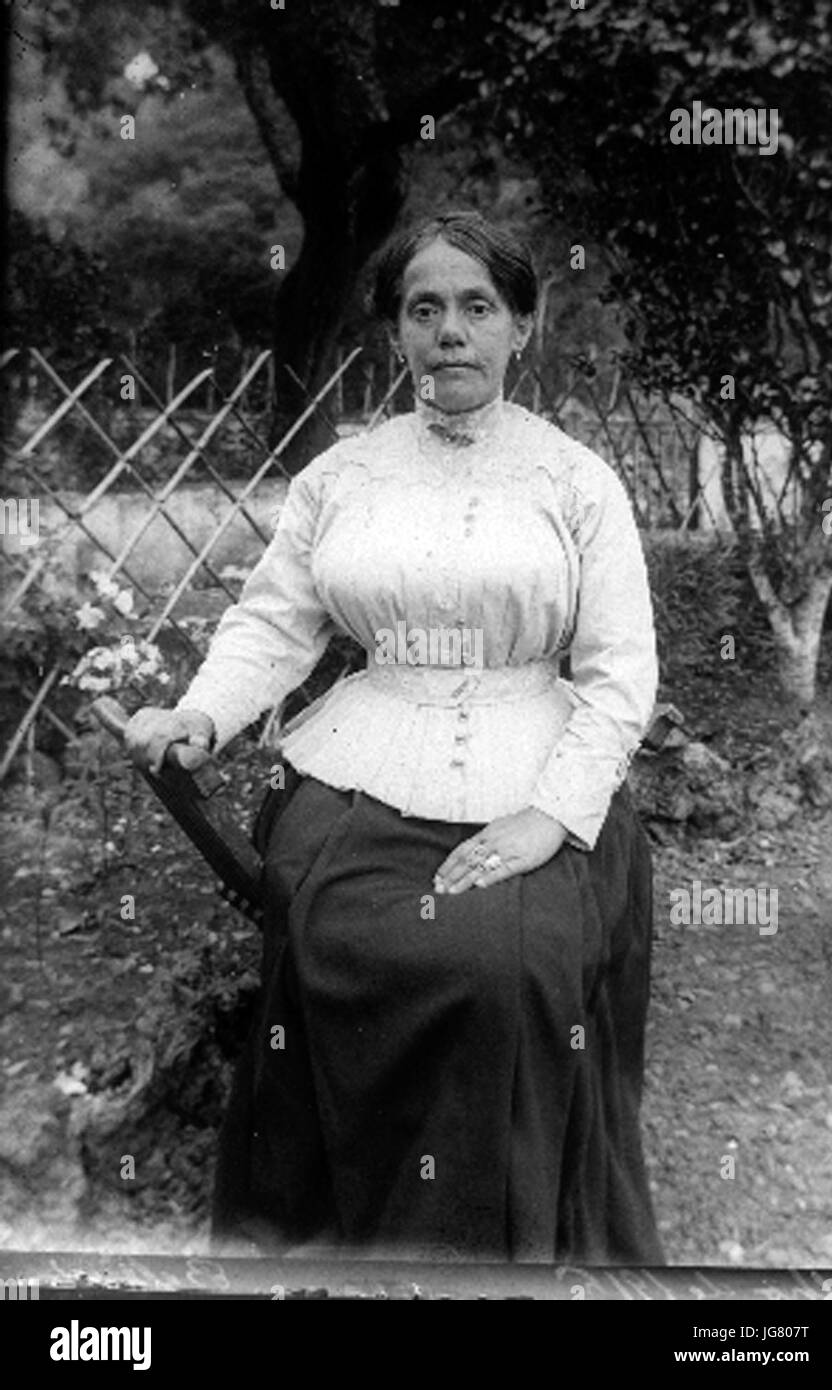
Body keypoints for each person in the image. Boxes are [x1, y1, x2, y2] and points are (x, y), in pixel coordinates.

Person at [125, 210, 663, 1264]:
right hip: (363, 764)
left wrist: (551, 814)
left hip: (534, 768)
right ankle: (341, 1239)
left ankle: (497, 1255)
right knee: (335, 946)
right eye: (425, 310)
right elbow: (274, 623)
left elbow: (619, 673)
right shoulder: (343, 477)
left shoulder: (575, 481)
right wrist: (202, 714)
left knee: (509, 974)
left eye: (476, 308)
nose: (450, 332)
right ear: (396, 334)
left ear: (522, 327)